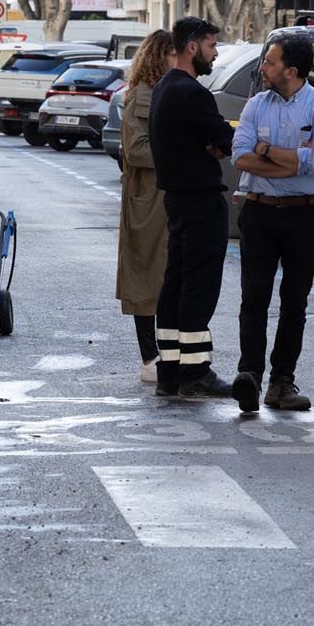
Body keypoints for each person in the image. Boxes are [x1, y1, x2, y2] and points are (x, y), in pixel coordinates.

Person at [148, 15, 257, 410]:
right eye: (211, 46)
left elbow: (211, 140)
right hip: (199, 199)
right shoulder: (191, 92)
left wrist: (213, 143)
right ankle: (195, 374)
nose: (214, 54)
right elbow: (225, 139)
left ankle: (171, 372)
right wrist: (219, 144)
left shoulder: (164, 88)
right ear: (192, 46)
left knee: (175, 282)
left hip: (178, 199)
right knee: (199, 284)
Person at [231, 36, 314, 412]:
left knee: (294, 302)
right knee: (253, 297)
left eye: (269, 62)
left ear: (291, 71)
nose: (262, 68)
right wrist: (290, 159)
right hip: (259, 211)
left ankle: (281, 381)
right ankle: (249, 378)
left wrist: (267, 151)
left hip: (305, 213)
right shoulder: (256, 104)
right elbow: (241, 157)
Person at [116, 30, 175, 382]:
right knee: (146, 276)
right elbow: (136, 149)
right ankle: (150, 357)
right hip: (149, 198)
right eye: (170, 55)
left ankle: (165, 353)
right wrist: (181, 153)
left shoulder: (164, 94)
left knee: (166, 275)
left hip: (165, 195)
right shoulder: (143, 95)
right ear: (158, 58)